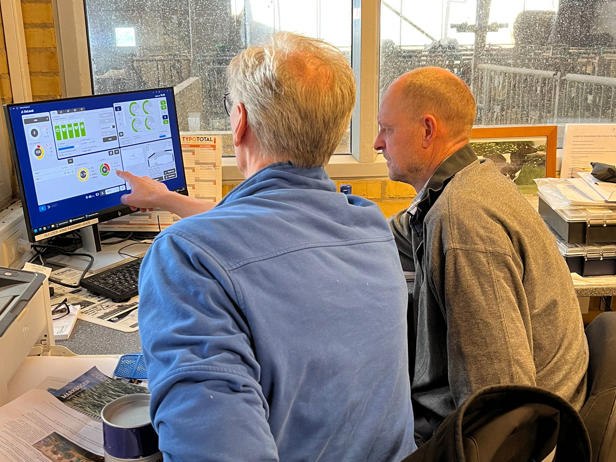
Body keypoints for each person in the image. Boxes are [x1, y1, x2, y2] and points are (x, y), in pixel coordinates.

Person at [127, 32, 416, 461]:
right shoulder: (369, 223)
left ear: (239, 121)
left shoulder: (186, 257)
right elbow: (268, 219)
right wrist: (168, 199)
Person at [375, 67, 588, 445]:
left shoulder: (463, 221)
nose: (377, 143)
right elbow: (391, 235)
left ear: (427, 130)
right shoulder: (468, 183)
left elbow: (500, 406)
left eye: (386, 130)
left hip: (517, 441)